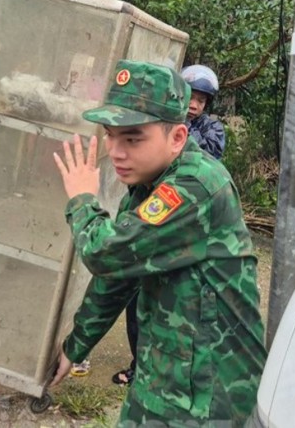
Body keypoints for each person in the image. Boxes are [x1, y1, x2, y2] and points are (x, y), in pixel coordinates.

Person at [50, 60, 267, 426]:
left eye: (133, 138)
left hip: (210, 392)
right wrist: (76, 346)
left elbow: (106, 253)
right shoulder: (147, 188)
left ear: (178, 137)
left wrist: (82, 200)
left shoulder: (197, 186)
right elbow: (118, 276)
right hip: (164, 371)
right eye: (110, 134)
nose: (116, 151)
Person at [107, 63, 229, 389]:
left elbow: (203, 159)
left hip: (183, 229)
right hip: (152, 224)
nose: (195, 105)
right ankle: (139, 366)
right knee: (136, 305)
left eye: (202, 100)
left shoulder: (208, 133)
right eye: (192, 97)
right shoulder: (158, 124)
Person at [181, 64, 226, 160]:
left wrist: (185, 124)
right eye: (189, 97)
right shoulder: (167, 117)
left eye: (201, 101)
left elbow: (209, 155)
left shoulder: (213, 127)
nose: (193, 106)